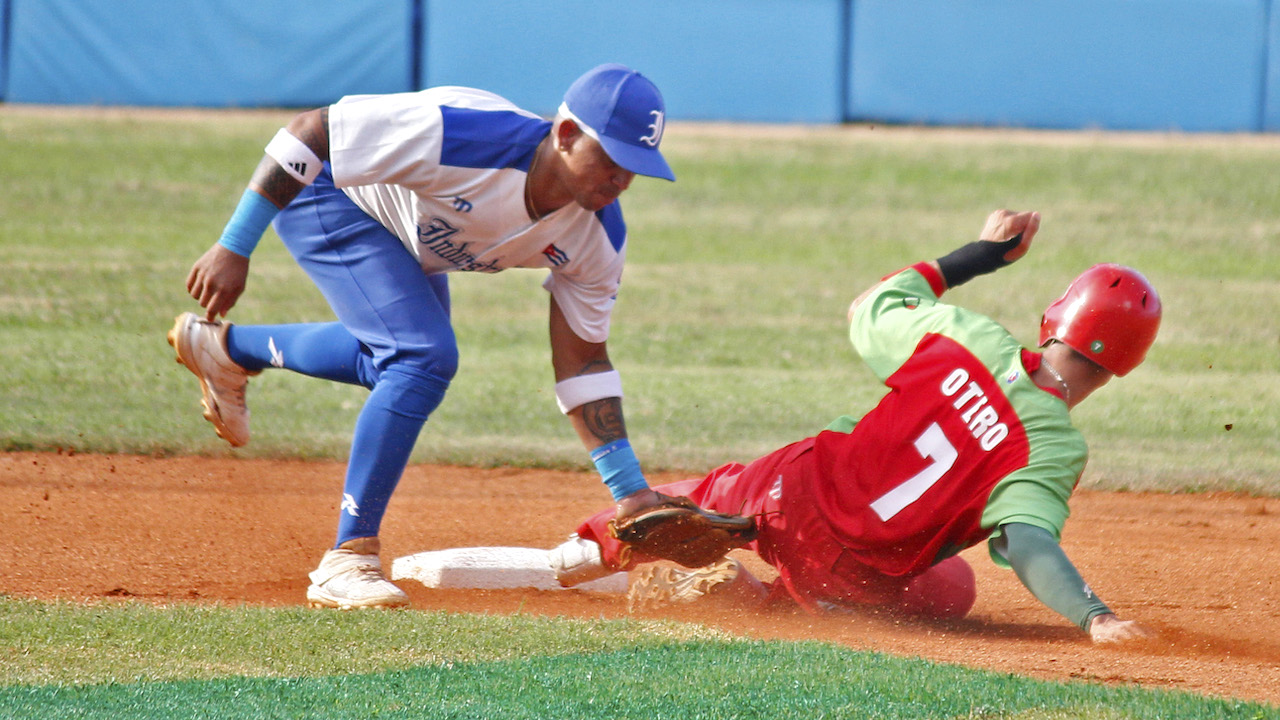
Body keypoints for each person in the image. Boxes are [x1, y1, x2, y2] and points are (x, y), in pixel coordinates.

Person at [168, 63, 740, 610]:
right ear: (566, 134)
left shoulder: (597, 236)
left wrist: (631, 493)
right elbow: (311, 131)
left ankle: (224, 350)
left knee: (404, 362)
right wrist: (235, 245)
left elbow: (584, 363)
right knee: (421, 359)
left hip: (406, 235)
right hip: (330, 194)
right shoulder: (464, 138)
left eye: (635, 166)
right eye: (612, 158)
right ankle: (348, 559)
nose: (622, 179)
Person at [550, 209, 1163, 644]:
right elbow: (1027, 544)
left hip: (792, 492)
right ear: (1122, 367)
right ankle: (775, 601)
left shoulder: (969, 339)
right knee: (953, 590)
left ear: (1051, 318)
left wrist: (975, 257)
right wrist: (1096, 618)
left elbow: (870, 305)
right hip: (853, 576)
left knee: (695, 499)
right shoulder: (1054, 447)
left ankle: (584, 550)